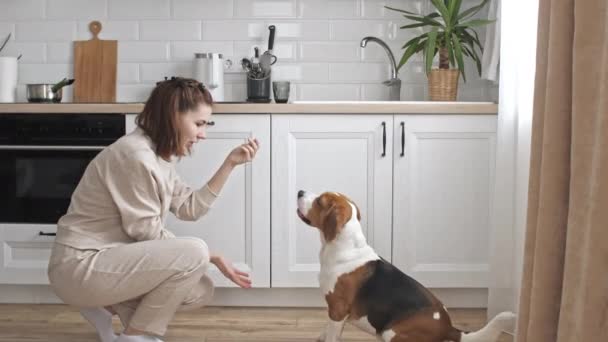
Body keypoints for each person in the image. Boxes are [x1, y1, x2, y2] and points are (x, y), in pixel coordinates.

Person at [47, 77, 259, 342]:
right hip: (79, 266)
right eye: (199, 124)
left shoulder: (158, 155)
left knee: (199, 289)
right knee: (194, 253)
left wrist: (230, 163)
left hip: (109, 260)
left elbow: (189, 208)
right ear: (173, 117)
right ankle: (138, 335)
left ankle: (106, 306)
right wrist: (210, 255)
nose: (203, 134)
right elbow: (146, 232)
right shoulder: (135, 156)